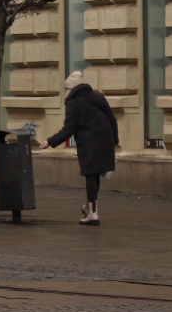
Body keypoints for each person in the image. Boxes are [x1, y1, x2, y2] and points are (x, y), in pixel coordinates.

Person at [40, 71, 118, 226]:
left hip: (90, 143)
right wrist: (114, 140)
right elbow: (112, 119)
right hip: (105, 140)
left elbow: (68, 129)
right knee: (94, 174)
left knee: (90, 174)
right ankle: (91, 210)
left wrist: (50, 141)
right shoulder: (98, 97)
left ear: (70, 89)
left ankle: (93, 213)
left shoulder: (73, 103)